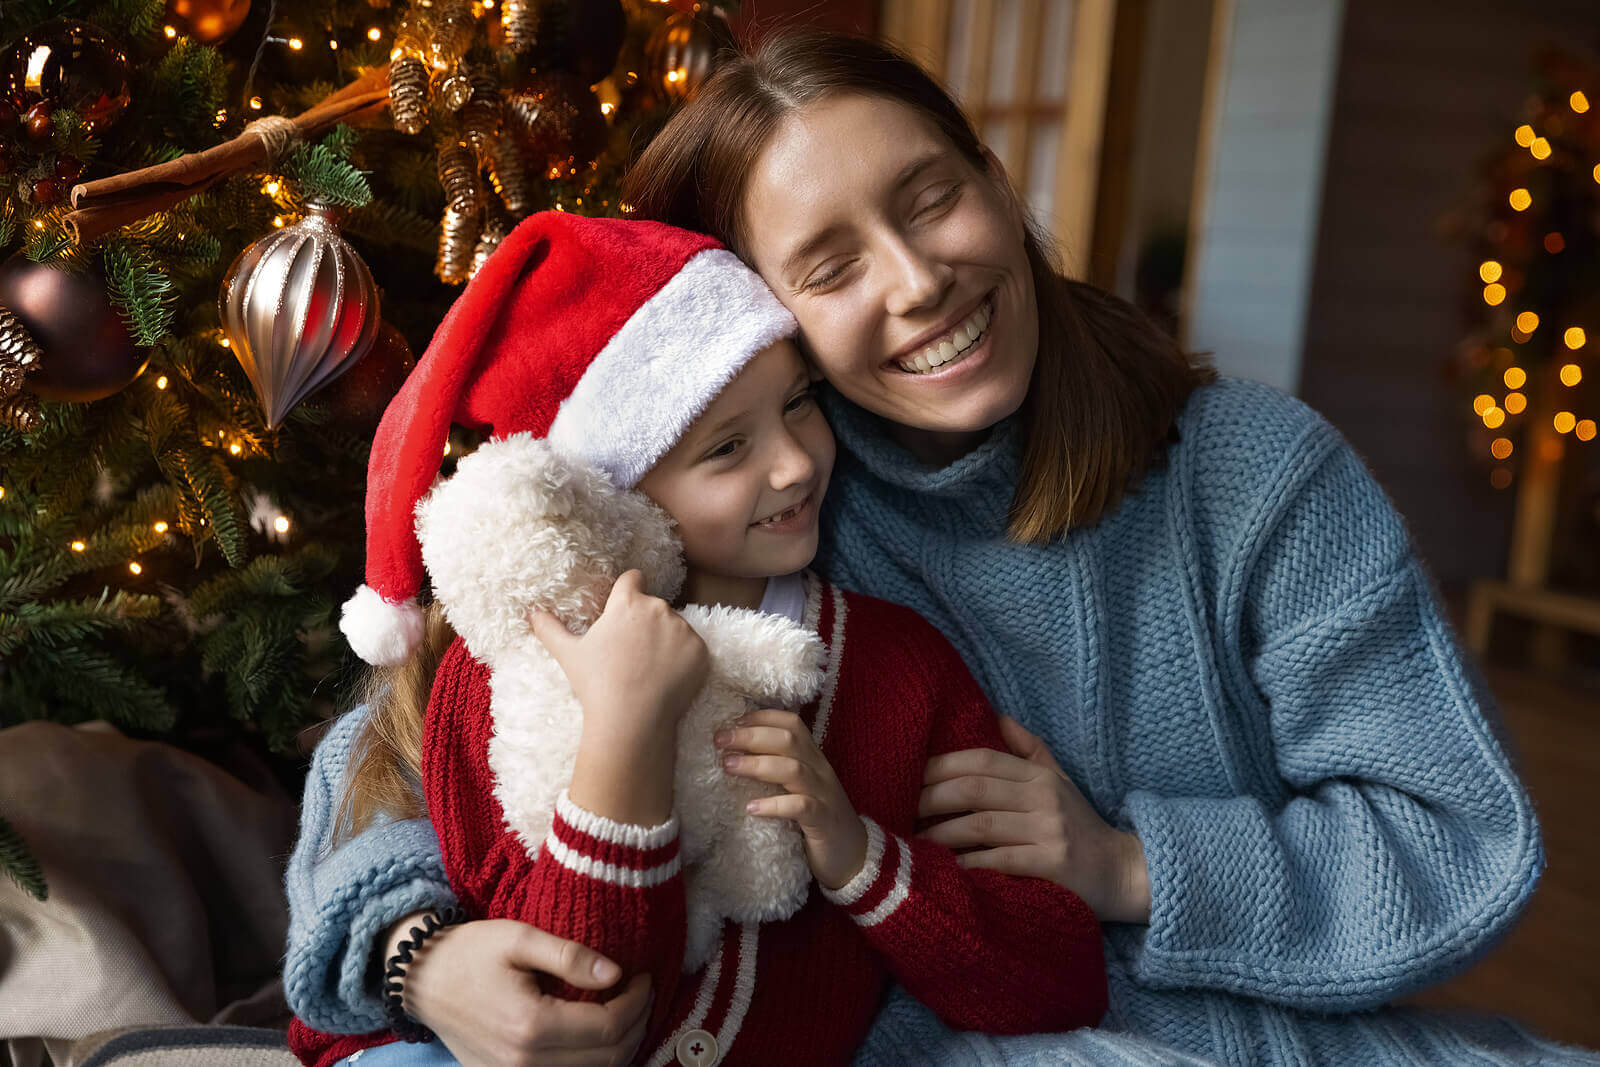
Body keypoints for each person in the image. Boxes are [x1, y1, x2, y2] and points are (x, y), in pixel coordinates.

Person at [284, 30, 1586, 1067]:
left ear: (996, 187)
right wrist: (417, 953)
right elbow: (399, 745)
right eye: (831, 263)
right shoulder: (753, 497)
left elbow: (1460, 842)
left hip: (1267, 1028)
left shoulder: (1253, 474)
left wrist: (1125, 862)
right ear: (747, 321)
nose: (919, 279)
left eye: (933, 199)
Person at [288, 213, 1107, 1066]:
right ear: (611, 495)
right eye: (726, 447)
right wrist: (623, 737)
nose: (793, 463)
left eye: (798, 402)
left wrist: (859, 854)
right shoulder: (497, 686)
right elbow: (575, 1006)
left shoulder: (899, 669)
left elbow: (1058, 975)